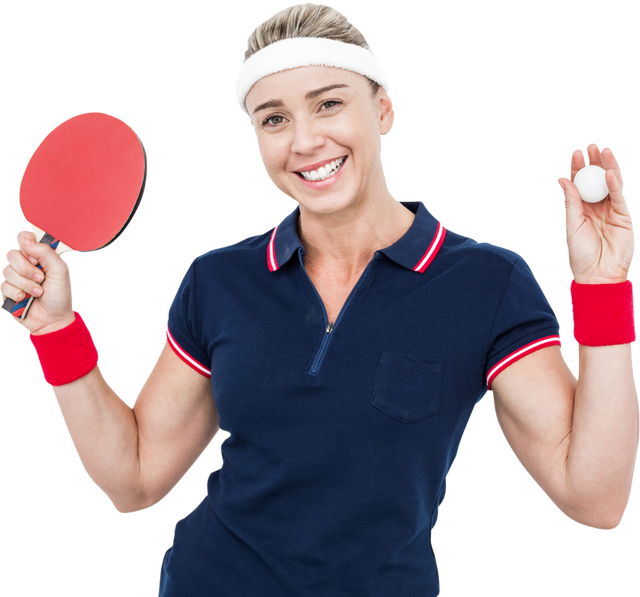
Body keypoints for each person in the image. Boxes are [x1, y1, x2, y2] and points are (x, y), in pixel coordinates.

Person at [1, 2, 637, 596]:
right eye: (273, 118)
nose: (303, 141)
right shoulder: (217, 280)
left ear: (384, 111)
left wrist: (602, 287)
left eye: (328, 104)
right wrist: (55, 330)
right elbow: (133, 480)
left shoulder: (488, 282)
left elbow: (596, 500)